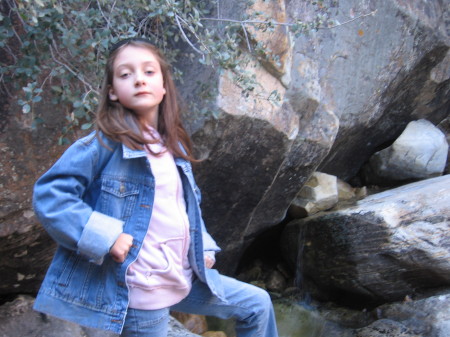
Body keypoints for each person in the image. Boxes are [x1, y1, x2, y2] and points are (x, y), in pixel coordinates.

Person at [32, 37, 279, 337]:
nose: (139, 79)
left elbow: (183, 208)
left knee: (257, 304)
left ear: (164, 86)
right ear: (112, 92)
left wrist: (204, 247)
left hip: (180, 276)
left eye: (149, 72)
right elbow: (50, 196)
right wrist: (106, 236)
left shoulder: (169, 145)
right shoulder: (104, 144)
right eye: (126, 74)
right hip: (141, 292)